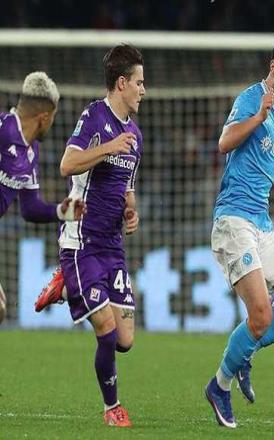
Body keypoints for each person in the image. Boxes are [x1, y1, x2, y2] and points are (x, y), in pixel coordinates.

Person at [205, 36, 274, 429]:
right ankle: (219, 386)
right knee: (262, 314)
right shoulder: (253, 99)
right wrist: (257, 116)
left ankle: (245, 350)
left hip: (261, 222)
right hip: (233, 220)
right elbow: (224, 143)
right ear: (273, 68)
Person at [50, 44, 144, 427]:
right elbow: (66, 164)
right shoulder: (94, 117)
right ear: (121, 83)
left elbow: (127, 188)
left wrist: (131, 210)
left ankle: (65, 286)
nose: (143, 90)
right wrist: (106, 148)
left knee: (125, 340)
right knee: (105, 329)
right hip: (82, 242)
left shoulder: (134, 134)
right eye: (139, 82)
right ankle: (112, 408)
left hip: (112, 246)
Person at [0, 71, 85, 324]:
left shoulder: (31, 150)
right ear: (44, 117)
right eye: (54, 116)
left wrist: (62, 212)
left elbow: (30, 208)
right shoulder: (2, 130)